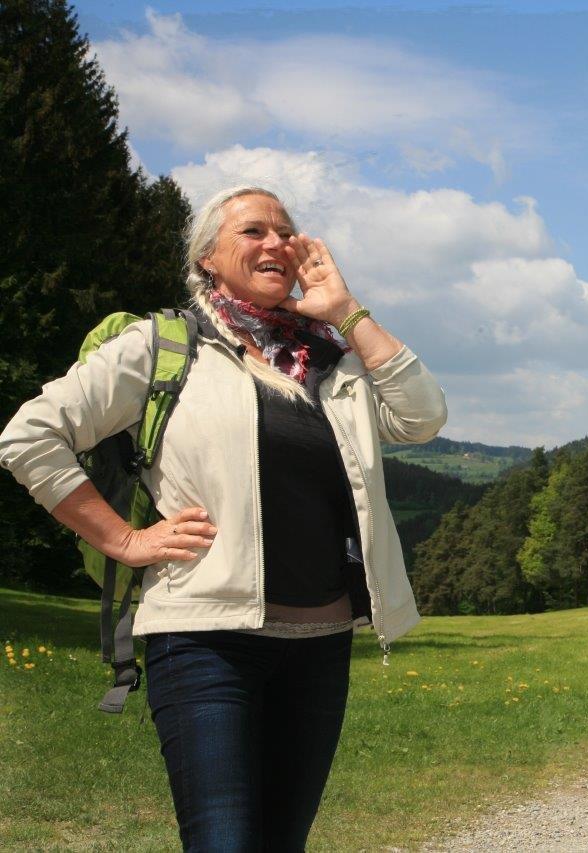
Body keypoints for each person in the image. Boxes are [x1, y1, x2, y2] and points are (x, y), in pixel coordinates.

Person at [0, 185, 447, 850]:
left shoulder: (330, 364)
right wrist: (122, 537)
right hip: (205, 639)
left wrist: (347, 312)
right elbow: (29, 436)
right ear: (206, 257)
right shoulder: (163, 346)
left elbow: (421, 415)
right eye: (252, 231)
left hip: (319, 644)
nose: (274, 243)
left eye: (285, 232)